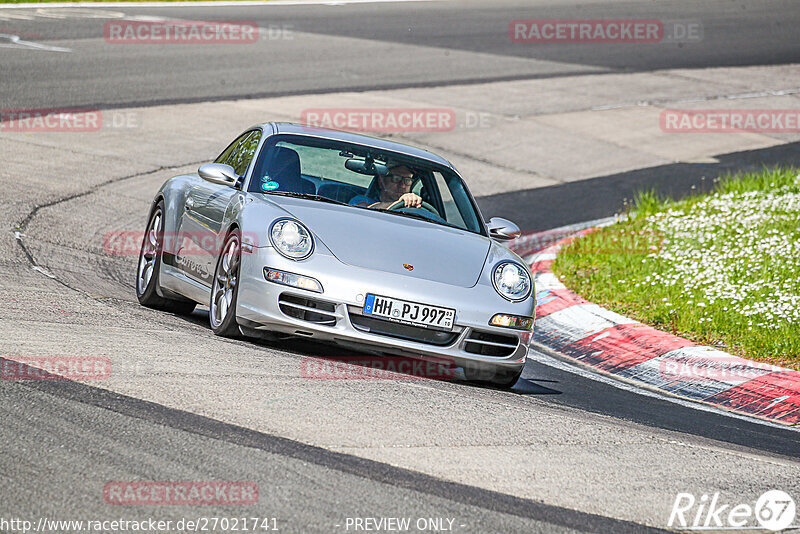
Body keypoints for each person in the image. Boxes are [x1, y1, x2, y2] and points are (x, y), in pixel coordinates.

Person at [349, 164, 423, 209]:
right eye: (396, 179)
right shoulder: (361, 200)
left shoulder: (414, 207)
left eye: (407, 181)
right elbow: (365, 210)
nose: (403, 185)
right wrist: (400, 203)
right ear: (381, 181)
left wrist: (414, 202)